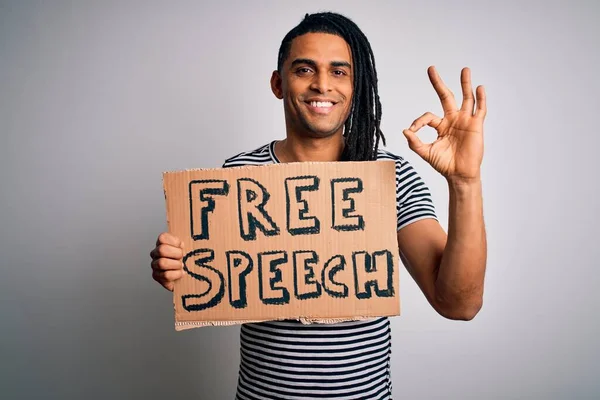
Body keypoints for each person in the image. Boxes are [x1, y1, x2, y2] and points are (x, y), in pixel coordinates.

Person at [149, 11, 487, 400]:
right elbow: (214, 274)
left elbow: (460, 304)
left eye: (339, 72)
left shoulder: (386, 176)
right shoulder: (239, 175)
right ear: (279, 83)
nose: (322, 84)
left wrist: (465, 182)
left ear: (356, 85)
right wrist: (178, 267)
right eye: (304, 69)